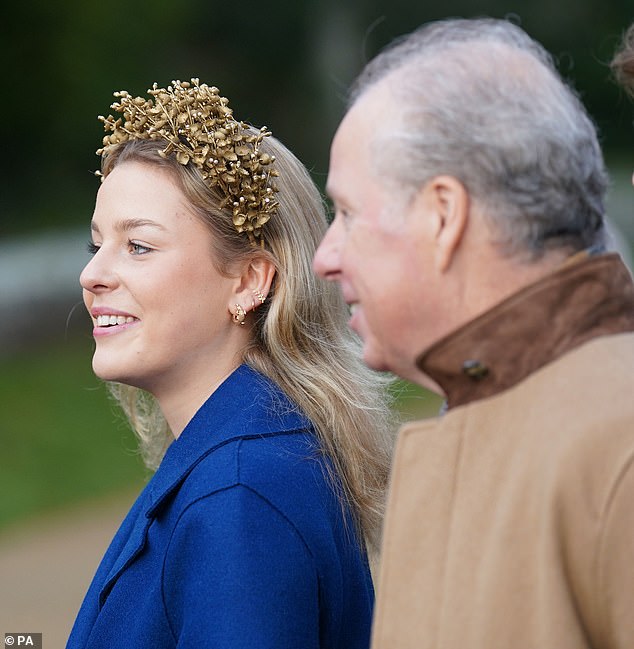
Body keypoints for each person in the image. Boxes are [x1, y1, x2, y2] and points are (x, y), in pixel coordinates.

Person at [313, 17, 634, 649]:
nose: (325, 257)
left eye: (347, 213)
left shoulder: (617, 445)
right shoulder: (481, 419)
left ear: (443, 214)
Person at [67, 79, 394, 649]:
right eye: (97, 244)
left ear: (248, 281)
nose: (92, 274)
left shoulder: (241, 495)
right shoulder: (250, 457)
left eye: (138, 246)